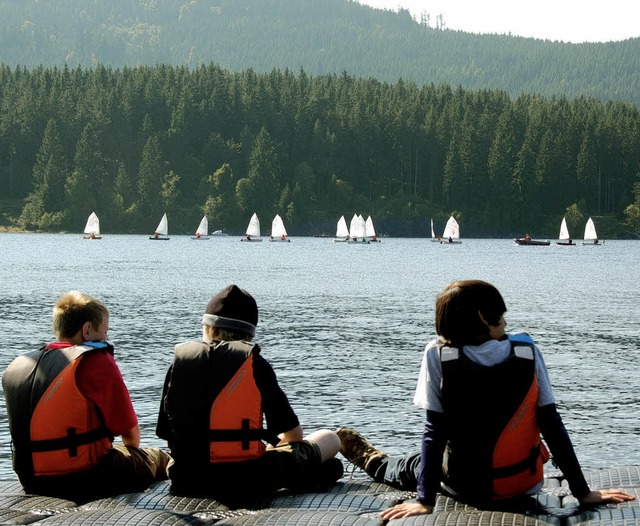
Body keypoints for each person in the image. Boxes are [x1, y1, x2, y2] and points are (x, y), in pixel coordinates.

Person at [337, 280, 635, 519]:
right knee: (430, 460)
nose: (505, 323)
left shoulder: (438, 355)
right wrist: (583, 493)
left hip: (467, 487)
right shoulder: (527, 350)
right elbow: (551, 424)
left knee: (413, 466)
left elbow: (434, 432)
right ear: (482, 317)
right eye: (501, 315)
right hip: (523, 484)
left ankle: (374, 460)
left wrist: (424, 501)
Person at [156, 284, 343, 508]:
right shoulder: (255, 365)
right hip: (246, 480)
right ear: (249, 333)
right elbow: (294, 435)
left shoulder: (180, 363)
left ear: (207, 328)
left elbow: (166, 433)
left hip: (186, 480)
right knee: (330, 440)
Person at [2, 291, 171, 502]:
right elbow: (131, 436)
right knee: (160, 457)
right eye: (105, 331)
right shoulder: (94, 362)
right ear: (87, 330)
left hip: (31, 478)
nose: (107, 338)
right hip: (87, 477)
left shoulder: (19, 366)